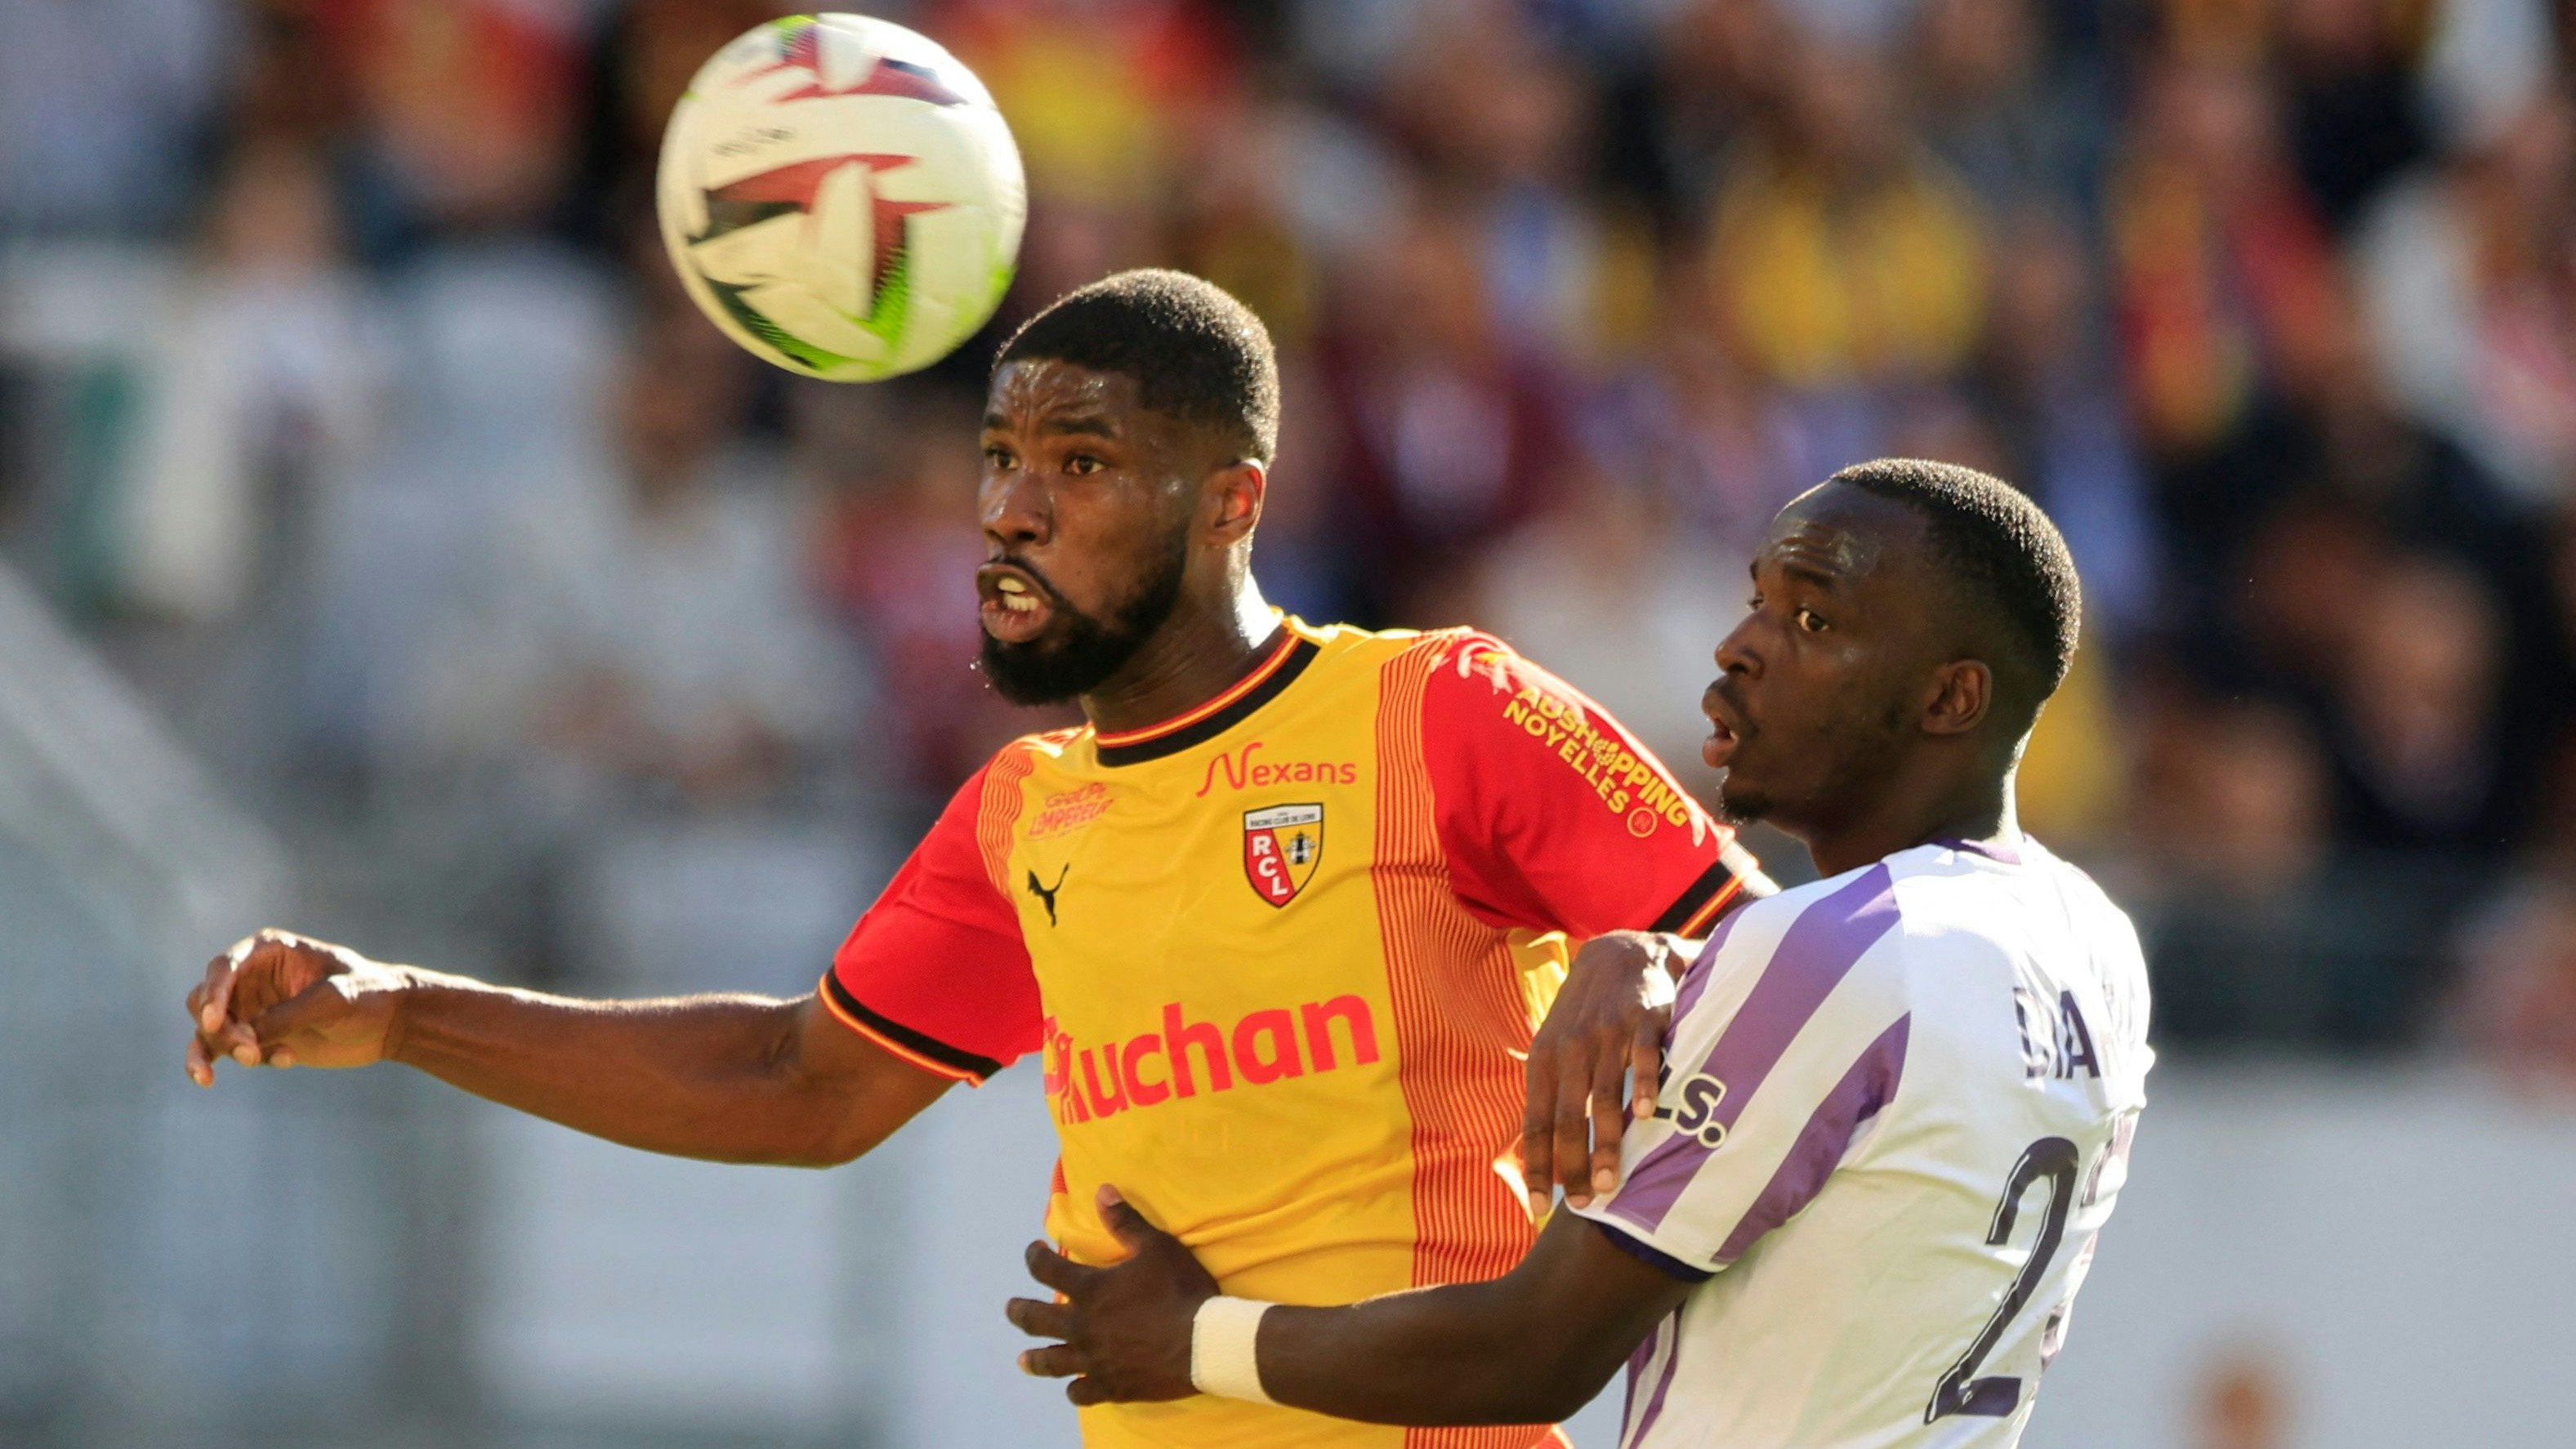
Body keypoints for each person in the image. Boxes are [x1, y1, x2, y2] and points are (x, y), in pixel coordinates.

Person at [182, 270, 1771, 1449]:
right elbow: (792, 1082)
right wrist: (402, 1012)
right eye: (997, 458)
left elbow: (1801, 975)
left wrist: (1645, 953)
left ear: (1229, 501)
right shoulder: (1023, 810)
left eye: (1077, 464)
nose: (1010, 510)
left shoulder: (1440, 710)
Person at [1009, 459, 2154, 1449]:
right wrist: (1664, 955)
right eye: (1756, 600)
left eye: (1813, 622)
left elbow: (1525, 1351)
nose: (1739, 646)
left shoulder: (1836, 953)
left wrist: (1184, 1336)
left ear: (1950, 697)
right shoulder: (2090, 940)